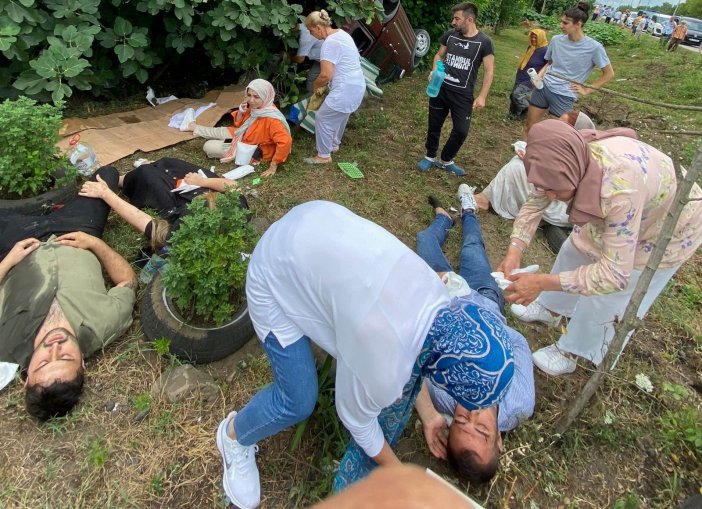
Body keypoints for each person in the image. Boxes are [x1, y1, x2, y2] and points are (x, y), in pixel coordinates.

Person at [214, 200, 515, 509]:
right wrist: (402, 476)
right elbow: (357, 421)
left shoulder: (438, 296)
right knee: (298, 399)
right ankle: (234, 436)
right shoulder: (383, 367)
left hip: (314, 219)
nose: (471, 414)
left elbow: (417, 352)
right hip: (272, 271)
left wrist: (428, 413)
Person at [496, 120, 702, 376]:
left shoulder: (618, 190)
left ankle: (574, 349)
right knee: (577, 247)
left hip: (668, 223)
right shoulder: (563, 157)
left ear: (572, 175)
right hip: (628, 204)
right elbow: (536, 201)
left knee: (613, 293)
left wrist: (540, 282)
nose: (549, 196)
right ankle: (552, 308)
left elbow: (614, 275)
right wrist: (515, 249)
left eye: (554, 190)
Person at [413, 190, 535, 483]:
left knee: (424, 242)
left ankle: (443, 217)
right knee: (471, 248)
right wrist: (485, 335)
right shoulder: (518, 405)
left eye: (460, 421)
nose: (471, 413)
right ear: (499, 440)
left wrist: (429, 414)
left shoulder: (442, 397)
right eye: (482, 429)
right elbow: (519, 343)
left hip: (445, 296)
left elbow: (411, 361)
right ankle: (469, 211)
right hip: (485, 297)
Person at [0, 167, 136, 420]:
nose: (55, 348)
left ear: (27, 375)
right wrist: (95, 244)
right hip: (77, 229)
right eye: (64, 357)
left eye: (43, 362)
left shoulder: (5, 344)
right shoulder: (104, 324)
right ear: (82, 365)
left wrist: (8, 262)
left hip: (13, 243)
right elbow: (127, 280)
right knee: (106, 175)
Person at [79, 158, 245, 253]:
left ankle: (121, 179)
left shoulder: (186, 227)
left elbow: (147, 223)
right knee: (168, 163)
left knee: (146, 174)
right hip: (202, 185)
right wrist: (202, 181)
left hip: (176, 199)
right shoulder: (237, 211)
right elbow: (234, 187)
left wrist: (106, 194)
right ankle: (155, 165)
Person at [475, 111, 595, 226]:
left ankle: (486, 200)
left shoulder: (580, 156)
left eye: (563, 125)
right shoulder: (564, 144)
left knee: (517, 168)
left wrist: (532, 161)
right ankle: (488, 198)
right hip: (548, 190)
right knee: (518, 164)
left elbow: (558, 181)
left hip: (561, 206)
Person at [416, 2, 495, 177]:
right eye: (454, 18)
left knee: (461, 130)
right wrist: (435, 69)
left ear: (470, 19)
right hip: (440, 90)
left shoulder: (484, 42)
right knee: (434, 124)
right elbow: (439, 55)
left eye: (457, 19)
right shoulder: (450, 35)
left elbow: (489, 71)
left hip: (463, 94)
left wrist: (482, 96)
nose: (453, 22)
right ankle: (429, 156)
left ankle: (446, 160)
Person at [525, 2, 614, 135]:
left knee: (558, 135)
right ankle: (525, 154)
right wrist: (539, 75)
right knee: (530, 126)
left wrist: (587, 90)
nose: (561, 26)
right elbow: (550, 62)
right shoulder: (556, 40)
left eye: (566, 23)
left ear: (579, 24)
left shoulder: (594, 48)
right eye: (561, 22)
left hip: (564, 95)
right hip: (543, 87)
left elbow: (609, 74)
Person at [187, 79, 292, 178]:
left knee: (208, 146)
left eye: (256, 97)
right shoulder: (257, 108)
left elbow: (285, 142)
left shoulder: (273, 119)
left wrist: (273, 165)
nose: (251, 100)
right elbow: (239, 125)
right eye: (249, 95)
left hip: (249, 148)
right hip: (241, 135)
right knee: (221, 131)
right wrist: (241, 112)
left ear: (266, 97)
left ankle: (226, 145)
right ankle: (196, 129)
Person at [303, 10, 366, 165]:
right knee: (340, 114)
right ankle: (333, 144)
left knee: (323, 118)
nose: (312, 35)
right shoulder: (343, 34)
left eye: (311, 31)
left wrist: (315, 87)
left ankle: (323, 156)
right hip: (357, 85)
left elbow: (325, 75)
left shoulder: (329, 43)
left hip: (346, 89)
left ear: (318, 27)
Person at [509, 29, 549, 119]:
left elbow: (548, 65)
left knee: (517, 95)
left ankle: (528, 110)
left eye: (536, 37)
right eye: (532, 37)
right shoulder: (531, 47)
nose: (533, 39)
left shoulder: (545, 50)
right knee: (513, 96)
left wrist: (540, 77)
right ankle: (513, 115)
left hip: (531, 78)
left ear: (541, 38)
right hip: (521, 75)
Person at [292, 22, 323, 94]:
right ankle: (309, 99)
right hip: (321, 59)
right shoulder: (305, 25)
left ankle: (311, 100)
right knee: (312, 77)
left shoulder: (306, 35)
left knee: (325, 81)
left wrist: (287, 57)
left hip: (333, 61)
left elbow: (300, 59)